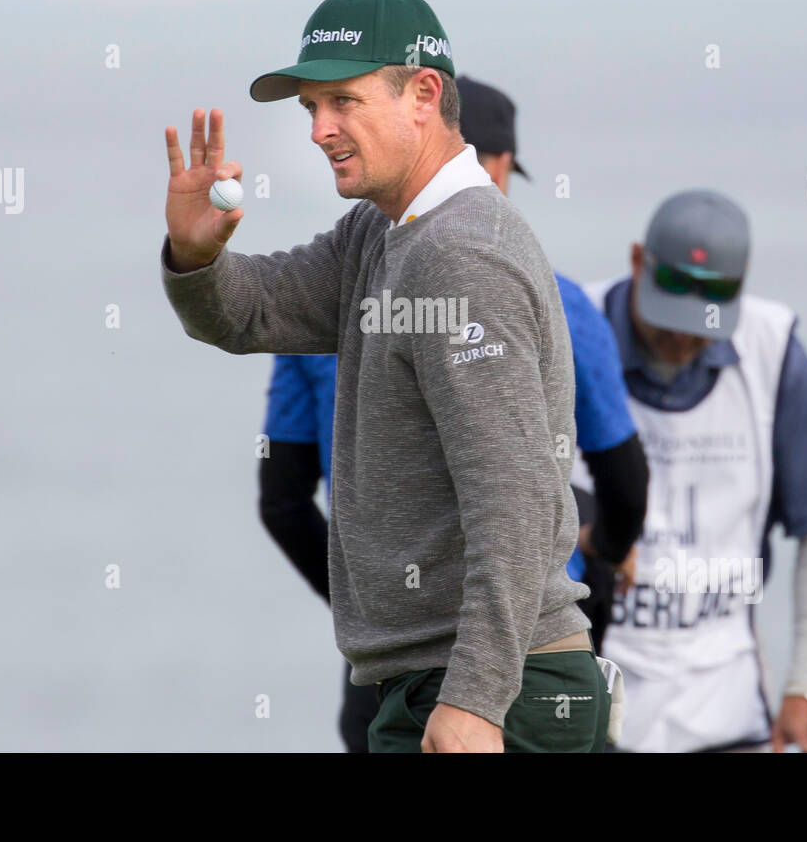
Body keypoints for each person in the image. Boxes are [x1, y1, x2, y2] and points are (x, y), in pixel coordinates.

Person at [160, 0, 610, 752]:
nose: (319, 130)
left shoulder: (460, 252)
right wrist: (198, 256)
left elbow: (517, 495)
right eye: (310, 108)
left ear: (424, 95)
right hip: (441, 682)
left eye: (343, 100)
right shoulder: (382, 229)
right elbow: (252, 311)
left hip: (493, 692)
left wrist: (476, 696)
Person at [257, 75, 648, 751]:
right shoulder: (556, 298)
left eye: (339, 103)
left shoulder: (335, 301)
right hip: (513, 669)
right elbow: (626, 482)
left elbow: (283, 503)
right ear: (494, 163)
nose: (322, 128)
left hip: (393, 669)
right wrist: (606, 559)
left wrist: (377, 614)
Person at [572, 190, 807, 752]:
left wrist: (805, 690)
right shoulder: (571, 329)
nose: (682, 335)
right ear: (637, 261)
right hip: (590, 714)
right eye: (667, 318)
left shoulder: (773, 351)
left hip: (729, 717)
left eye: (702, 323)